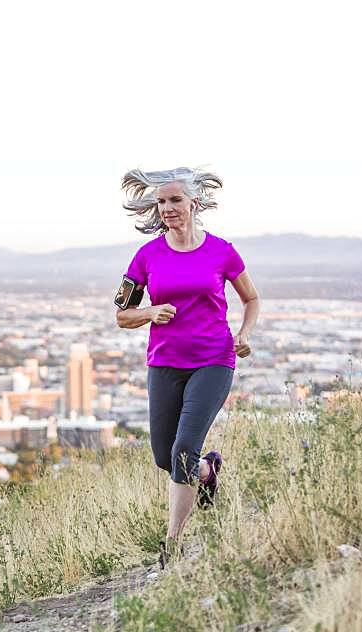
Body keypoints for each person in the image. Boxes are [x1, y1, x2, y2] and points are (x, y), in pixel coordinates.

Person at [115, 167, 260, 568]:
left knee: (182, 448)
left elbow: (251, 299)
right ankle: (207, 470)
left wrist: (244, 334)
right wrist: (149, 312)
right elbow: (121, 315)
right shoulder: (146, 256)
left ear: (194, 202)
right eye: (161, 201)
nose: (167, 208)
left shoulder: (222, 251)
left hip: (214, 360)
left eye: (175, 200)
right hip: (164, 363)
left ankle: (172, 544)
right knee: (166, 456)